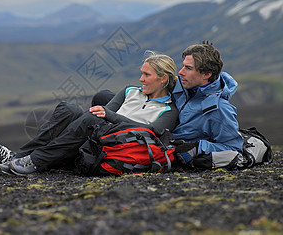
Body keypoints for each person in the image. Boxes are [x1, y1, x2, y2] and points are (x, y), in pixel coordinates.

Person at [0, 51, 179, 176]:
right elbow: (106, 110)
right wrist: (107, 115)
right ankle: (20, 157)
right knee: (69, 108)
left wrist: (111, 117)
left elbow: (151, 132)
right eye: (141, 73)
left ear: (163, 78)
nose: (141, 78)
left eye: (146, 75)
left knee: (93, 117)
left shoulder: (168, 111)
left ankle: (33, 160)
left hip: (116, 145)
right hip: (99, 133)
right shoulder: (130, 91)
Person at [92, 41, 244, 169]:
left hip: (159, 139)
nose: (181, 72)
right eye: (183, 66)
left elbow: (234, 148)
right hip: (152, 117)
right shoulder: (183, 85)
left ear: (206, 74)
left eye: (188, 68)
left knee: (104, 115)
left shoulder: (219, 109)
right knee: (103, 97)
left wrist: (198, 147)